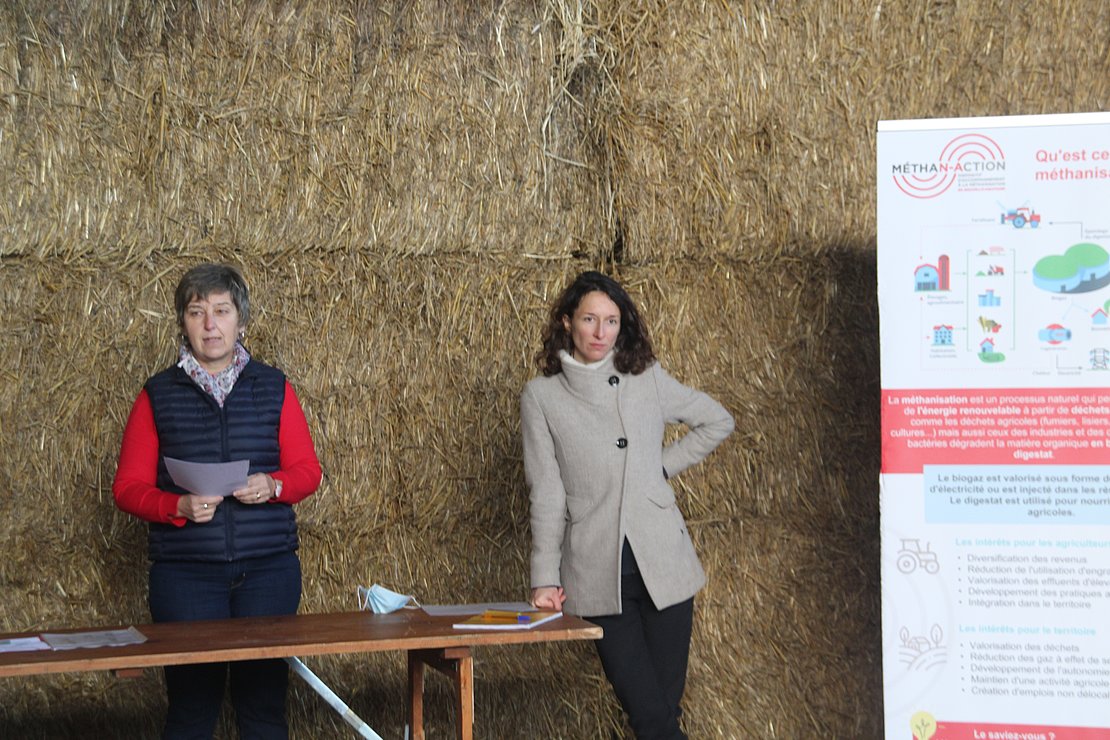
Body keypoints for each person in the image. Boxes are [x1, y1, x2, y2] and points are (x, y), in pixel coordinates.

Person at [521, 270, 734, 740]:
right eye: (590, 320)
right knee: (651, 718)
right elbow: (547, 491)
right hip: (599, 574)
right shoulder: (542, 397)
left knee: (663, 717)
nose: (601, 332)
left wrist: (657, 468)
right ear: (567, 323)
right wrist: (544, 578)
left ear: (623, 325)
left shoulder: (646, 378)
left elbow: (717, 420)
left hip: (666, 568)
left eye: (612, 320)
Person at [113, 263, 322, 739]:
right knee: (191, 709)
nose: (210, 324)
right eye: (197, 312)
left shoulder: (273, 386)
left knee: (263, 708)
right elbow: (127, 487)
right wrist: (176, 507)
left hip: (268, 570)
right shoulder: (158, 394)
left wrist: (273, 485)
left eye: (221, 311)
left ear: (240, 321)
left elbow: (308, 471)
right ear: (183, 323)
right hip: (186, 575)